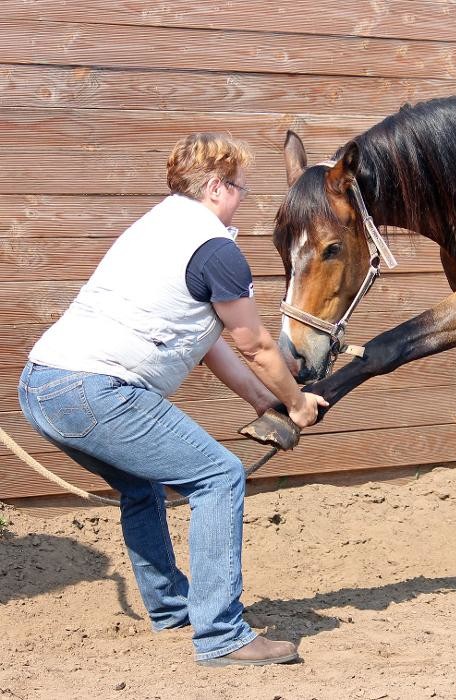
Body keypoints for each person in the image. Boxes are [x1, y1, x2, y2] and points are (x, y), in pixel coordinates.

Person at [16, 133, 326, 666]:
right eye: (241, 190)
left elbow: (211, 347)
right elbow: (253, 344)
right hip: (96, 389)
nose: (244, 201)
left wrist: (263, 402)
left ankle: (171, 606)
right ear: (214, 187)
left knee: (141, 486)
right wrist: (295, 401)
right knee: (219, 476)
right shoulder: (216, 250)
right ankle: (222, 636)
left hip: (44, 385)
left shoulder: (155, 228)